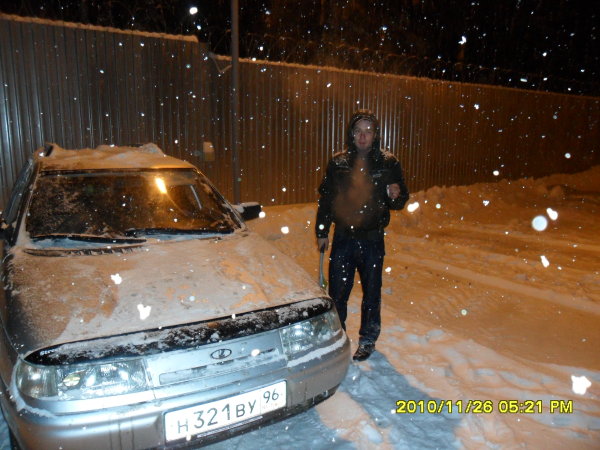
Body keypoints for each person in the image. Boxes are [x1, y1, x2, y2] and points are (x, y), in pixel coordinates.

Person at [315, 109, 409, 361]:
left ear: (376, 134)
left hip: (372, 240)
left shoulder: (388, 163)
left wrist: (396, 194)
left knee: (372, 294)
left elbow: (400, 201)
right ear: (351, 134)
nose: (363, 136)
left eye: (368, 131)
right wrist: (322, 231)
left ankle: (368, 339)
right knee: (338, 293)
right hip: (343, 238)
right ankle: (338, 336)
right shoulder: (338, 163)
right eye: (358, 131)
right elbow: (326, 200)